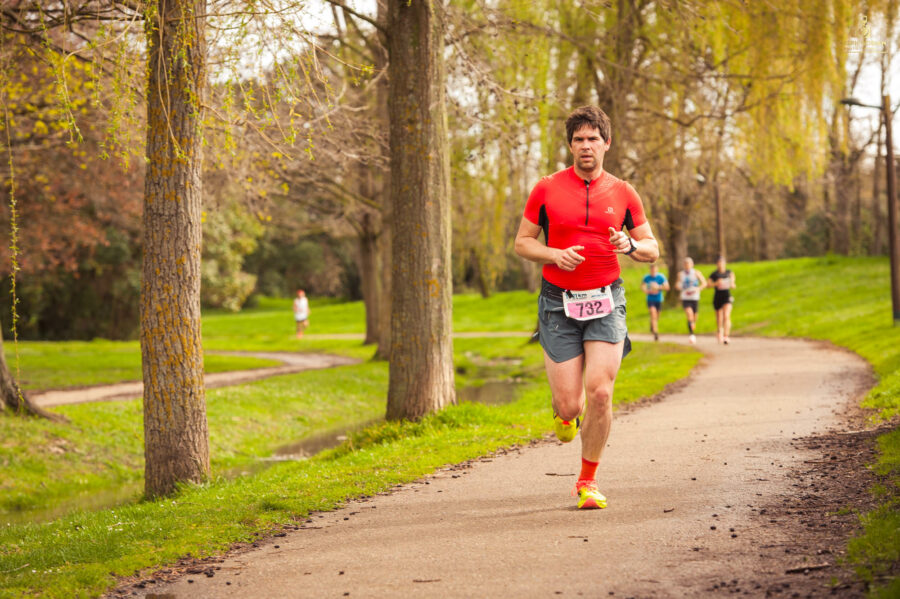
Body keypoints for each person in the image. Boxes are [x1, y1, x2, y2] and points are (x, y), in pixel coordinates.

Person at [514, 105, 660, 510]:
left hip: (606, 300)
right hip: (557, 303)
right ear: (570, 145)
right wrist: (554, 255)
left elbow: (652, 248)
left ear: (606, 144)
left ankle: (588, 482)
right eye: (578, 139)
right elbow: (522, 242)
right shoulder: (546, 188)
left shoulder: (624, 192)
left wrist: (630, 246)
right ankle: (563, 415)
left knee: (599, 393)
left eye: (593, 139)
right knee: (571, 404)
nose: (586, 146)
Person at [675, 257, 706, 344]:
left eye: (688, 264)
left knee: (694, 317)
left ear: (692, 264)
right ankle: (691, 335)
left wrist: (698, 289)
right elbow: (677, 285)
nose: (687, 265)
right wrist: (679, 286)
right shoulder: (680, 274)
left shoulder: (696, 273)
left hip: (695, 297)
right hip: (685, 297)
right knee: (689, 314)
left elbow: (704, 283)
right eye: (685, 264)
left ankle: (692, 326)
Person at [709, 256, 736, 344]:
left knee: (726, 315)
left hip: (726, 296)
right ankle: (719, 331)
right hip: (717, 297)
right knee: (719, 318)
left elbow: (732, 281)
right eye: (719, 263)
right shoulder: (714, 274)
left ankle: (726, 336)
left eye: (722, 262)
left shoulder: (729, 273)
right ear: (717, 264)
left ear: (725, 263)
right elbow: (708, 284)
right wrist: (716, 283)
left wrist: (732, 284)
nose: (720, 264)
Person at [640, 263, 669, 341]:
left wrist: (658, 287)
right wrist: (646, 290)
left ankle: (652, 325)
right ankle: (656, 334)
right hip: (650, 299)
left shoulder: (661, 277)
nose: (653, 271)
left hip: (659, 299)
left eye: (654, 269)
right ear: (650, 270)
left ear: (657, 269)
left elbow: (667, 287)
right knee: (653, 314)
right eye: (652, 269)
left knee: (657, 316)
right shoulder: (647, 277)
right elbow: (642, 286)